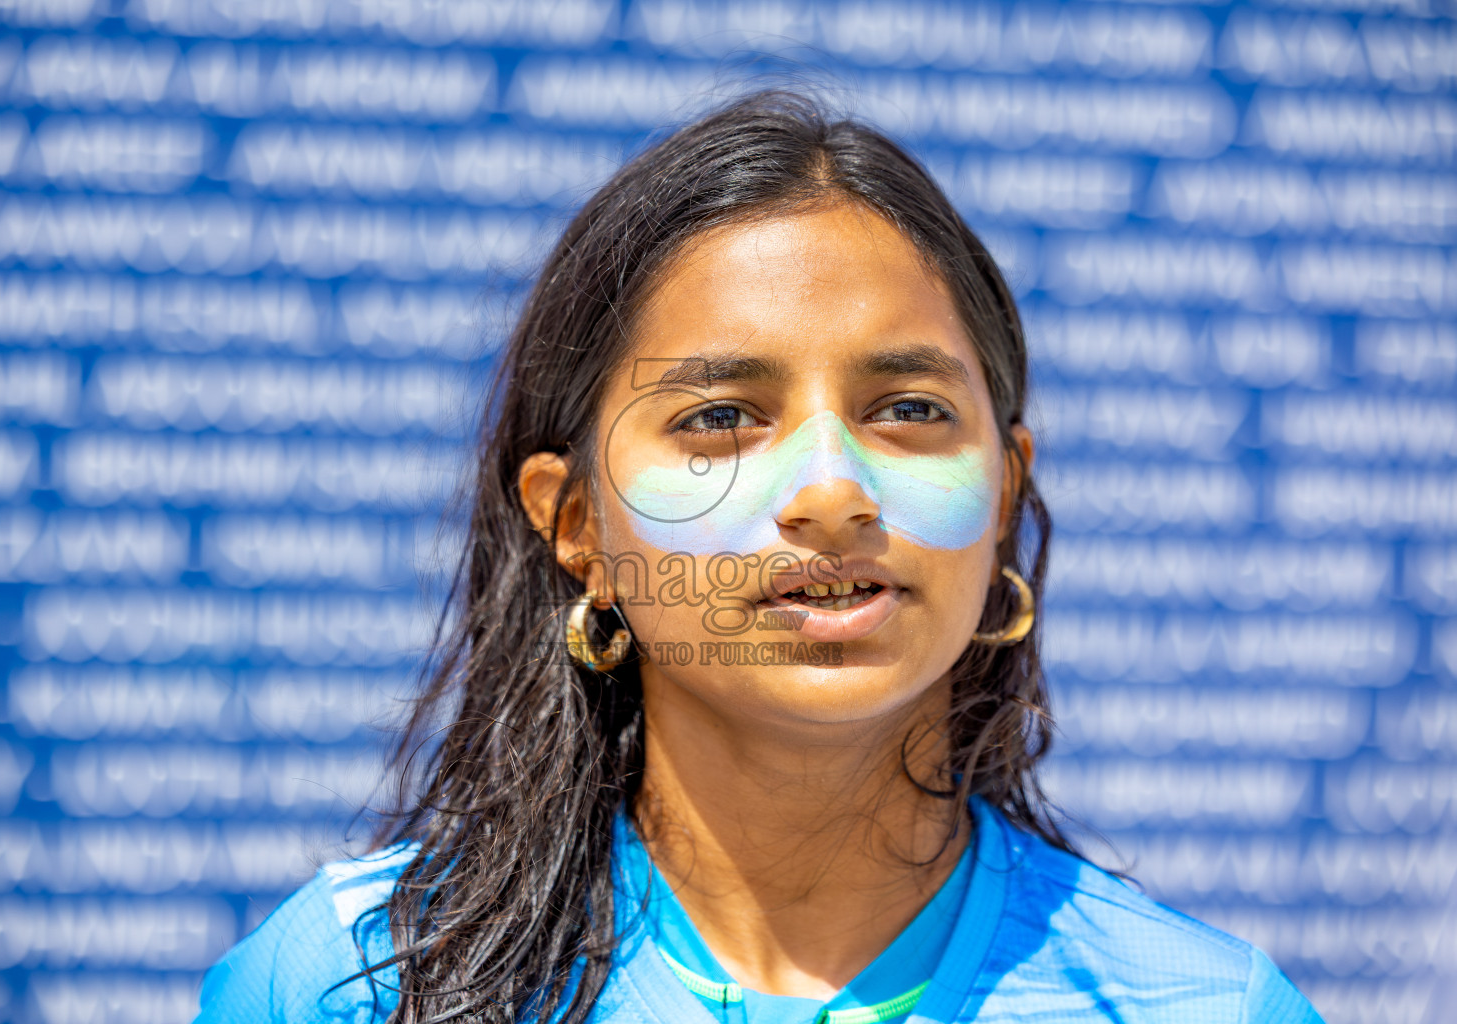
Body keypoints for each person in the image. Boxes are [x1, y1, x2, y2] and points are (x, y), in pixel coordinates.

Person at [194, 91, 1323, 1024]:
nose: (832, 492)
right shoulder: (353, 983)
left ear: (1004, 494)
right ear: (575, 524)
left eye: (911, 407)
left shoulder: (1206, 1004)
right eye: (721, 418)